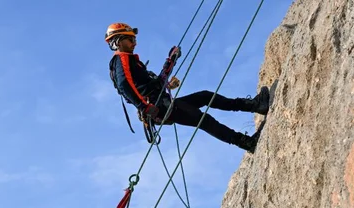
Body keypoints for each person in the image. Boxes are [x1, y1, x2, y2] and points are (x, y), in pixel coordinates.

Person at [105, 22, 270, 153]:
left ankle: (255, 106)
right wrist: (144, 107)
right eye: (130, 39)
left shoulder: (130, 61)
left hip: (162, 104)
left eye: (134, 39)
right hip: (159, 107)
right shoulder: (121, 59)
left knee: (205, 96)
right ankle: (246, 142)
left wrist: (169, 71)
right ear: (118, 41)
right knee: (203, 119)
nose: (135, 42)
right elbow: (124, 85)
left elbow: (144, 86)